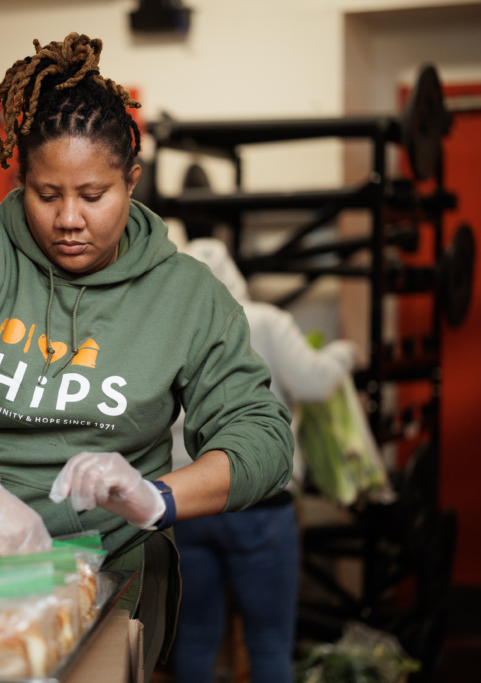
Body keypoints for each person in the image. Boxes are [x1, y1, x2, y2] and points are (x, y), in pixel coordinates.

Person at [0, 33, 294, 678]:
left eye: (93, 195)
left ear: (131, 183)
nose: (68, 219)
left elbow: (264, 438)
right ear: (21, 181)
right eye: (46, 195)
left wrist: (156, 498)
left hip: (103, 581)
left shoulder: (186, 296)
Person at [171, 237, 359, 683]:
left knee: (195, 636)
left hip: (187, 499)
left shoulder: (171, 328)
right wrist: (345, 353)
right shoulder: (266, 322)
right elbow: (313, 383)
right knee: (270, 641)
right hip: (259, 504)